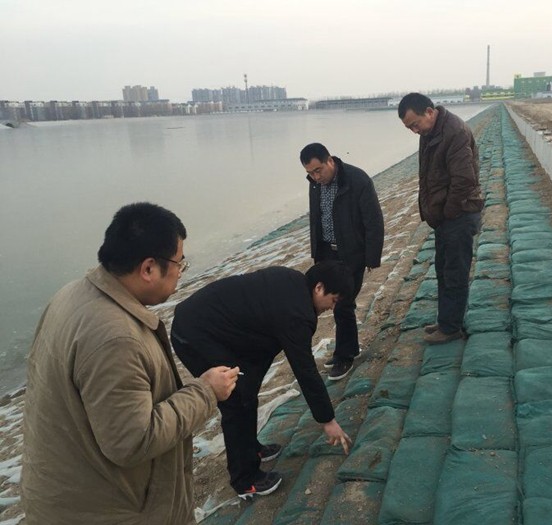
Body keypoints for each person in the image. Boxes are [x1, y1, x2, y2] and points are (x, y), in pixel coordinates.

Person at [20, 202, 239, 525]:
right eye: (179, 263)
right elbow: (132, 441)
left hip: (62, 495)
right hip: (108, 511)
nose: (181, 272)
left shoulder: (71, 294)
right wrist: (206, 391)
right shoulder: (115, 337)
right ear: (148, 268)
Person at [170, 260, 355, 499]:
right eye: (334, 300)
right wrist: (327, 420)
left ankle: (251, 449)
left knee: (246, 387)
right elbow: (305, 370)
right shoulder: (296, 312)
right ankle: (244, 480)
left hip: (221, 330)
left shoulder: (293, 282)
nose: (332, 308)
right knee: (235, 399)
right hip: (195, 334)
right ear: (319, 288)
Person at [398, 93, 484, 343]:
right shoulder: (429, 132)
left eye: (415, 124)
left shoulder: (454, 132)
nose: (414, 131)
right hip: (445, 218)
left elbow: (464, 180)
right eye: (409, 128)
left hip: (459, 214)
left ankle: (451, 328)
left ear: (429, 111)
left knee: (455, 272)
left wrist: (447, 213)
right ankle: (446, 320)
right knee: (443, 270)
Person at [299, 143, 384, 380]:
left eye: (318, 170)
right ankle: (350, 349)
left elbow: (373, 220)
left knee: (343, 304)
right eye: (310, 173)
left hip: (352, 254)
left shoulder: (357, 180)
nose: (316, 177)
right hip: (327, 253)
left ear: (330, 161)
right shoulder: (314, 184)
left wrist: (371, 257)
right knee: (334, 304)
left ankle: (345, 356)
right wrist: (317, 253)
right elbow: (316, 219)